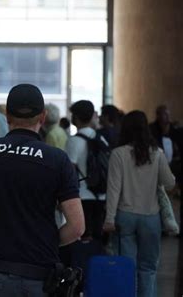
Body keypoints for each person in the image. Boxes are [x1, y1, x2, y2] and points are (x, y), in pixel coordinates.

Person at [0, 84, 85, 297]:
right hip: (39, 274)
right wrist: (45, 245)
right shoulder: (57, 160)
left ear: (6, 115)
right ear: (42, 117)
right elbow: (77, 226)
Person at [103, 111, 175, 297]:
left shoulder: (118, 154)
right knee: (149, 268)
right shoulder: (157, 153)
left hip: (124, 216)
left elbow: (113, 190)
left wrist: (109, 218)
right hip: (151, 217)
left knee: (127, 268)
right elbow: (170, 183)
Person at [65, 100, 107, 240]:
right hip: (102, 195)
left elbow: (69, 172)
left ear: (75, 117)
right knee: (99, 239)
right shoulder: (101, 138)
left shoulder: (73, 141)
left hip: (83, 196)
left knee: (84, 239)